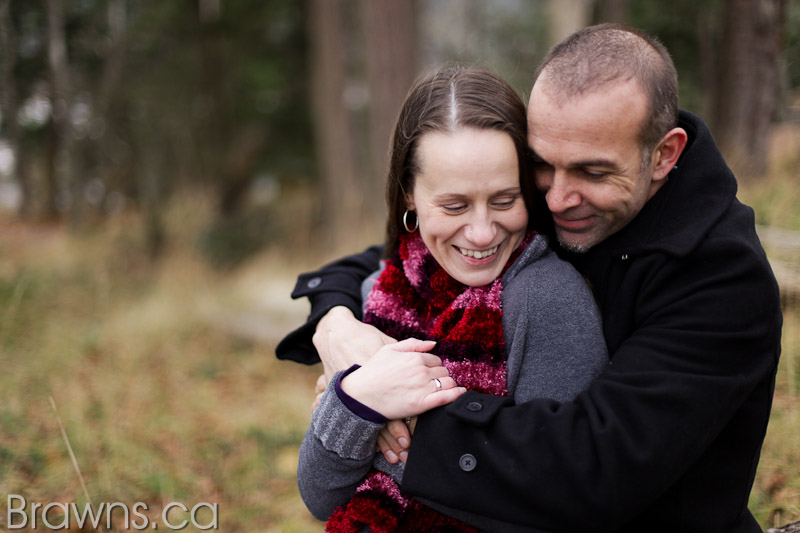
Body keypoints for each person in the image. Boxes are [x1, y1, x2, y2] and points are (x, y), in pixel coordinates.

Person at [279, 24, 783, 532]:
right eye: (541, 165)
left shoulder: (723, 283)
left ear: (663, 155)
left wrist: (391, 408)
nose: (557, 198)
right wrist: (338, 325)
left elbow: (592, 471)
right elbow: (387, 260)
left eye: (593, 171)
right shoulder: (540, 209)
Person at [296, 66, 608, 532]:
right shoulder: (381, 295)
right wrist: (357, 402)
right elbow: (321, 494)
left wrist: (393, 419)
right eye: (455, 206)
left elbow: (563, 494)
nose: (482, 232)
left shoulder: (546, 298)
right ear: (410, 195)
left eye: (504, 200)